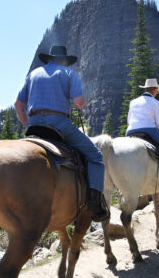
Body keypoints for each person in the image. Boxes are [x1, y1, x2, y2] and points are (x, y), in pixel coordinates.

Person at [14, 45, 110, 222]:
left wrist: (28, 125)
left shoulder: (33, 74)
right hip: (59, 124)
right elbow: (79, 103)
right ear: (64, 61)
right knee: (95, 156)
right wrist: (83, 101)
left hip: (34, 126)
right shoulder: (68, 74)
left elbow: (18, 105)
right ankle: (94, 203)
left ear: (49, 59)